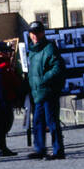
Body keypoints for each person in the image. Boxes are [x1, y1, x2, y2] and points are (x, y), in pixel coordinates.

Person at [25, 22, 66, 159]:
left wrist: (43, 80)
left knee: (52, 122)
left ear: (43, 33)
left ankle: (58, 150)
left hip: (48, 91)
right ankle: (40, 149)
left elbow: (58, 67)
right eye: (32, 33)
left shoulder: (49, 48)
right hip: (37, 93)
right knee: (37, 122)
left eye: (37, 32)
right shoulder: (32, 51)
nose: (35, 35)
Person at [0, 41, 22, 156]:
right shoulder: (3, 66)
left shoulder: (2, 64)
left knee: (4, 123)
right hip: (4, 97)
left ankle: (0, 144)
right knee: (5, 123)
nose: (9, 53)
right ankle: (1, 146)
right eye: (6, 52)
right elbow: (11, 81)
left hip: (4, 97)